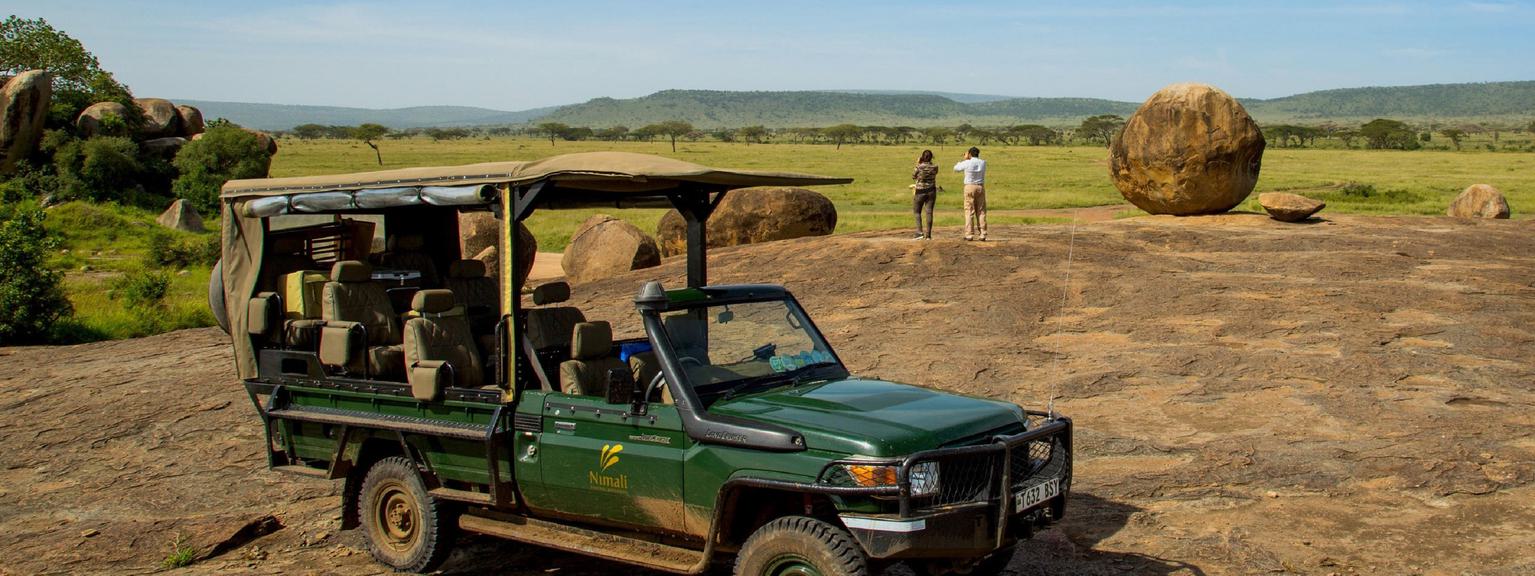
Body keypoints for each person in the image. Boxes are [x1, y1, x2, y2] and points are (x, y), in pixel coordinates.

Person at [953, 147, 987, 241]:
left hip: (969, 187)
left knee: (969, 210)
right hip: (980, 186)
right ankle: (983, 233)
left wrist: (965, 159)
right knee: (981, 210)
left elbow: (956, 168)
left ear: (970, 154)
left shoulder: (967, 162)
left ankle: (969, 234)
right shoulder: (983, 162)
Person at [910, 150, 938, 239]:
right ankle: (928, 235)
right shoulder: (935, 167)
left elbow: (913, 176)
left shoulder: (919, 167)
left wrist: (918, 163)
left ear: (922, 157)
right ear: (931, 157)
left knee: (917, 212)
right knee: (929, 212)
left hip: (920, 191)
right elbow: (933, 172)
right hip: (931, 191)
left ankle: (919, 232)